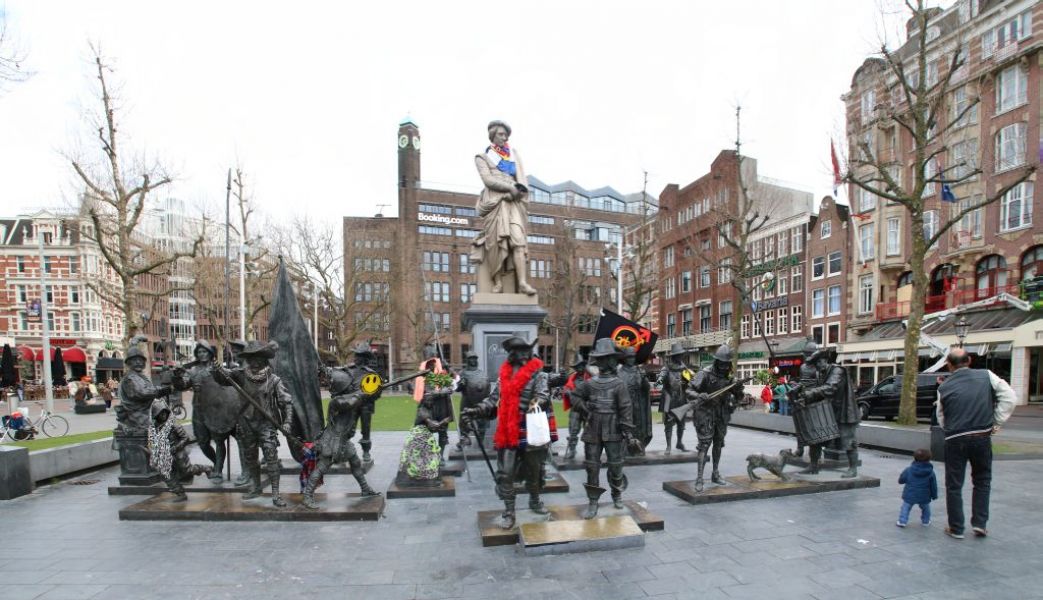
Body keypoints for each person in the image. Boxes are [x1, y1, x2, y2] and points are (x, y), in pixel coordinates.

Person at [461, 335, 557, 529]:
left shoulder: (539, 375)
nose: (524, 354)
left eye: (526, 350)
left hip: (530, 429)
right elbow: (492, 400)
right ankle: (509, 511)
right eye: (519, 350)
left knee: (534, 471)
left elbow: (542, 395)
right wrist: (476, 410)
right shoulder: (504, 376)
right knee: (505, 473)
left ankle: (535, 500)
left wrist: (530, 404)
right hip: (507, 431)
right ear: (512, 354)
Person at [936, 347, 1016, 539]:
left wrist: (951, 429)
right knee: (982, 480)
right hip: (981, 435)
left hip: (955, 438)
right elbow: (1010, 397)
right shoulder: (986, 375)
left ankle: (956, 528)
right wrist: (995, 422)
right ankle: (980, 523)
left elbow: (941, 415)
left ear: (949, 364)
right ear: (969, 360)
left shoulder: (944, 387)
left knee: (954, 484)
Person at [213, 340, 295, 507]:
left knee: (271, 457)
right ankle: (256, 487)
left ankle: (275, 493)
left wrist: (287, 422)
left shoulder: (273, 380)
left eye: (258, 358)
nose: (254, 362)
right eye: (251, 358)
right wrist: (217, 370)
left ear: (264, 359)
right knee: (251, 458)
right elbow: (222, 379)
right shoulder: (240, 375)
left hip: (266, 424)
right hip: (246, 424)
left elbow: (286, 402)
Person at [569, 338, 636, 518]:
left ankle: (617, 495)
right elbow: (574, 397)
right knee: (592, 467)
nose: (608, 361)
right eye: (604, 358)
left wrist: (628, 433)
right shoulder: (590, 384)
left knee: (616, 465)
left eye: (609, 358)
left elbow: (625, 409)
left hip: (613, 429)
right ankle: (593, 501)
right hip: (593, 430)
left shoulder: (619, 384)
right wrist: (586, 410)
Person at [470, 120, 537, 296]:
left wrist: (516, 192)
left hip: (513, 203)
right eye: (501, 134)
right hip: (495, 203)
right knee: (495, 244)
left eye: (506, 135)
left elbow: (521, 180)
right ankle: (498, 282)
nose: (504, 137)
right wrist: (509, 188)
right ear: (493, 136)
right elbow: (488, 180)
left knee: (518, 240)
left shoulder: (513, 156)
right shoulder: (482, 158)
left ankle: (522, 283)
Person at [301, 363, 381, 509]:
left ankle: (365, 488)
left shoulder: (348, 396)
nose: (351, 387)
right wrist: (365, 392)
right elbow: (351, 403)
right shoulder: (337, 401)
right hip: (333, 441)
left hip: (343, 440)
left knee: (355, 462)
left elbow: (357, 399)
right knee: (321, 468)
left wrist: (371, 391)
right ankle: (307, 496)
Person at [793, 344, 859, 477]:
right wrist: (800, 392)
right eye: (815, 364)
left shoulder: (837, 371)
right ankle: (813, 466)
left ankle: (853, 469)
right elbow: (816, 389)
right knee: (816, 439)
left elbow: (830, 388)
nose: (817, 366)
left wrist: (810, 393)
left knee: (847, 440)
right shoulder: (820, 374)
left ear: (825, 360)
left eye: (819, 362)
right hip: (828, 412)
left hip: (844, 412)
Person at [686, 345, 743, 492]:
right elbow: (689, 390)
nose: (724, 368)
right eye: (722, 364)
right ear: (717, 361)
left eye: (726, 364)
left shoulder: (729, 378)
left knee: (718, 444)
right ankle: (699, 478)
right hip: (705, 413)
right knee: (704, 445)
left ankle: (715, 473)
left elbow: (739, 397)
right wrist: (699, 395)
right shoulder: (704, 373)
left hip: (721, 414)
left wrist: (738, 389)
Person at [146, 400, 212, 501]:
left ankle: (206, 468)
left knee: (187, 470)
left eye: (164, 413)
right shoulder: (155, 427)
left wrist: (175, 448)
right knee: (166, 474)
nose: (163, 415)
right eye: (160, 413)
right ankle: (179, 492)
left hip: (178, 452)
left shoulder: (173, 424)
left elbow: (185, 438)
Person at [116, 347, 174, 433]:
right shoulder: (129, 378)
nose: (138, 362)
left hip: (145, 413)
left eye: (140, 360)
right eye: (135, 360)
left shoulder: (141, 377)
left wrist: (163, 390)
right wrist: (161, 391)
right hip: (135, 416)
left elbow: (150, 389)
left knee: (168, 423)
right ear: (129, 363)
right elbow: (142, 393)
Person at [656, 343, 690, 455]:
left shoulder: (684, 369)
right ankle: (668, 445)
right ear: (674, 356)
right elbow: (659, 382)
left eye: (681, 355)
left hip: (681, 399)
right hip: (670, 400)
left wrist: (687, 383)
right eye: (678, 355)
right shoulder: (666, 369)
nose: (680, 357)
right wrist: (660, 379)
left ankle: (679, 442)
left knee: (681, 423)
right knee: (669, 424)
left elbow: (690, 383)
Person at [618, 346, 652, 454]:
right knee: (626, 426)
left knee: (639, 426)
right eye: (629, 357)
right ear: (625, 358)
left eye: (633, 357)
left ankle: (639, 448)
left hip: (638, 404)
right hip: (625, 405)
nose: (631, 359)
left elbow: (646, 389)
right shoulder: (619, 372)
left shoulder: (639, 370)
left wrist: (644, 379)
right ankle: (625, 450)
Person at [455, 351, 490, 451]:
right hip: (466, 400)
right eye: (471, 358)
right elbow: (457, 389)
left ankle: (481, 443)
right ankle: (463, 442)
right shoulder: (462, 373)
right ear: (467, 360)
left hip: (479, 401)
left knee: (481, 422)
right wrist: (461, 384)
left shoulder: (481, 373)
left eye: (475, 358)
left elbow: (486, 387)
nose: (473, 360)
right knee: (464, 422)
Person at [897, 448, 937, 528]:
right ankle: (926, 521)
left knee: (906, 507)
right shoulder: (931, 472)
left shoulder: (909, 470)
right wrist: (934, 495)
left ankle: (902, 521)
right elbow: (933, 485)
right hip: (924, 495)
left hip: (910, 494)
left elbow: (901, 479)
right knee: (925, 508)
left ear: (914, 458)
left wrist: (901, 480)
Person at [562, 352, 592, 460]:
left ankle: (589, 451)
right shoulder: (572, 378)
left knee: (589, 431)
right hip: (575, 408)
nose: (579, 368)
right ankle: (572, 450)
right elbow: (566, 388)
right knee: (573, 430)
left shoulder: (590, 377)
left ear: (584, 366)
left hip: (587, 408)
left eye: (581, 366)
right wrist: (567, 392)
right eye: (577, 367)